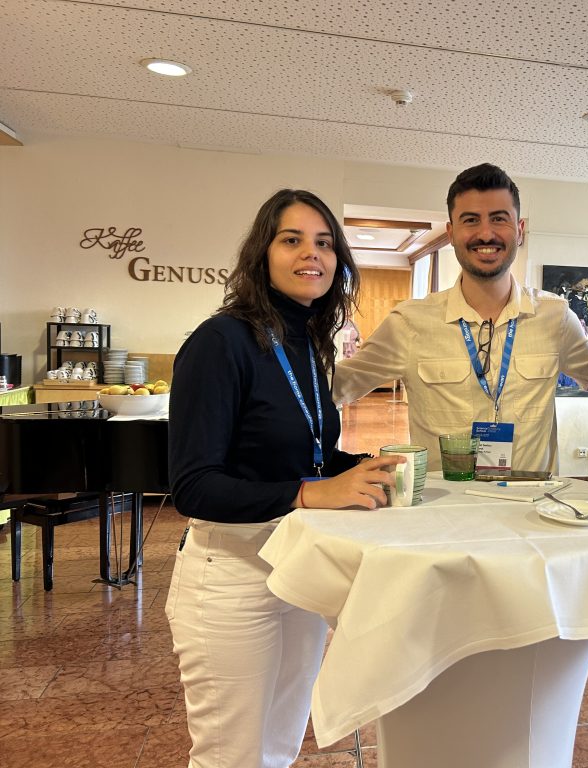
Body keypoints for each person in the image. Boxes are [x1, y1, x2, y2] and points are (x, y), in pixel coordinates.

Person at [166, 189, 401, 768]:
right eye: (291, 240)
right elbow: (193, 486)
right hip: (230, 575)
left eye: (324, 243)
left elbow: (309, 457)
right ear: (262, 253)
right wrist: (311, 493)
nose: (310, 254)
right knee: (231, 756)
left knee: (278, 746)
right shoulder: (219, 342)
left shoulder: (307, 343)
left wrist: (365, 467)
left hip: (296, 566)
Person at [334, 163, 588, 473]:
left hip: (529, 501)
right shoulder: (409, 323)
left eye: (499, 218)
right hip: (445, 503)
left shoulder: (554, 317)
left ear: (519, 230)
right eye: (471, 220)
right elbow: (332, 388)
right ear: (451, 232)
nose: (486, 233)